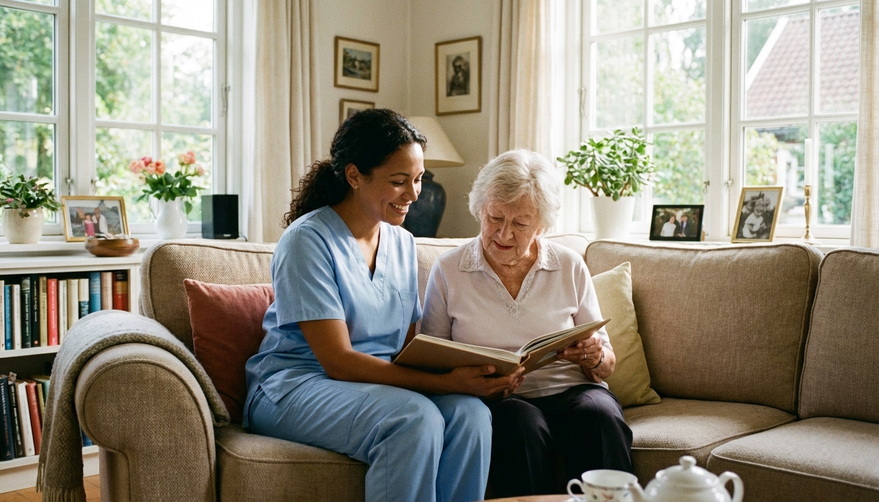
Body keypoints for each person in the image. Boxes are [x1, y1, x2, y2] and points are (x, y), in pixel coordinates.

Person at [243, 108, 523, 502]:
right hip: (295, 386)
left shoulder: (403, 244)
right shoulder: (307, 241)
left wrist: (474, 375)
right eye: (398, 181)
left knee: (471, 415)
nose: (413, 194)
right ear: (355, 176)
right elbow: (338, 361)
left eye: (418, 179)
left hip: (378, 383)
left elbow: (407, 351)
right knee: (413, 417)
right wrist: (444, 383)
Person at [421, 149, 633, 497]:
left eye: (520, 224)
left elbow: (607, 363)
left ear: (543, 226)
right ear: (480, 209)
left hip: (572, 391)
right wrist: (472, 381)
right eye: (494, 218)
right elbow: (431, 362)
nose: (503, 234)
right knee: (518, 425)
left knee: (599, 415)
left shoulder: (569, 266)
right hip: (500, 399)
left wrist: (593, 356)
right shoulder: (448, 270)